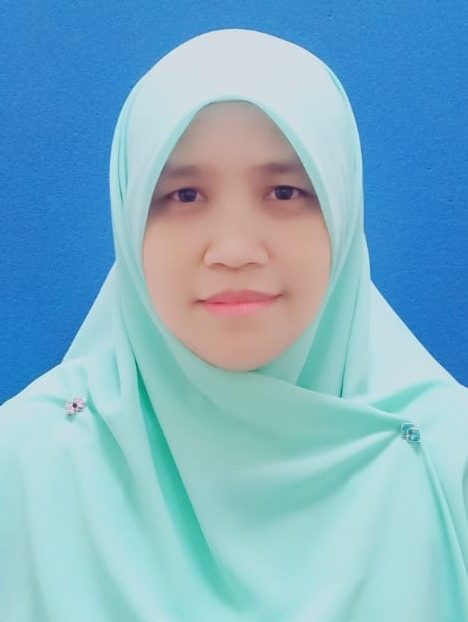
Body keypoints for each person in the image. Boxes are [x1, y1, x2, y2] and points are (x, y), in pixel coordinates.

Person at [0, 27, 467, 622]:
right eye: (184, 195)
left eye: (285, 191)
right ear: (130, 213)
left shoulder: (449, 466)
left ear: (343, 211)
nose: (235, 250)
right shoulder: (23, 469)